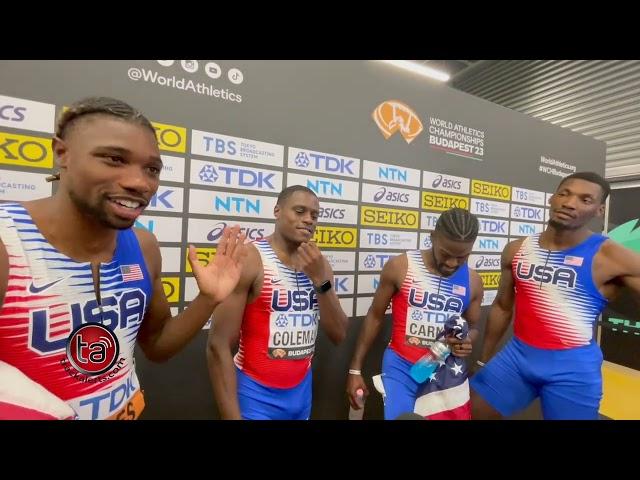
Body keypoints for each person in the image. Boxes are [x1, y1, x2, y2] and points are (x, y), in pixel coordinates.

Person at [0, 97, 246, 420]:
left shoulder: (143, 246)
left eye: (152, 169)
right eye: (114, 159)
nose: (139, 183)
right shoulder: (8, 245)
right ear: (63, 153)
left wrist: (208, 299)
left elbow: (156, 344)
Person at [471, 171, 640, 420]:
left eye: (585, 200)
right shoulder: (517, 249)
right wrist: (484, 360)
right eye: (565, 194)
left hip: (573, 370)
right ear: (552, 198)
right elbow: (502, 307)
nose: (570, 203)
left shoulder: (612, 256)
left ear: (599, 211)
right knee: (471, 413)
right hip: (518, 357)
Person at [207, 185, 348, 420]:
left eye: (314, 215)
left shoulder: (319, 266)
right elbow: (218, 344)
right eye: (300, 211)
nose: (308, 220)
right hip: (255, 395)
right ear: (277, 211)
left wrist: (320, 281)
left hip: (301, 393)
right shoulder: (251, 258)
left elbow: (339, 334)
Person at [346, 208, 484, 420]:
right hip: (401, 367)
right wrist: (355, 369)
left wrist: (466, 340)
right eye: (446, 254)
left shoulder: (473, 281)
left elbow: (473, 327)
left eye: (461, 257)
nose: (451, 263)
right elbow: (375, 316)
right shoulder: (401, 267)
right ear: (433, 237)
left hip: (444, 372)